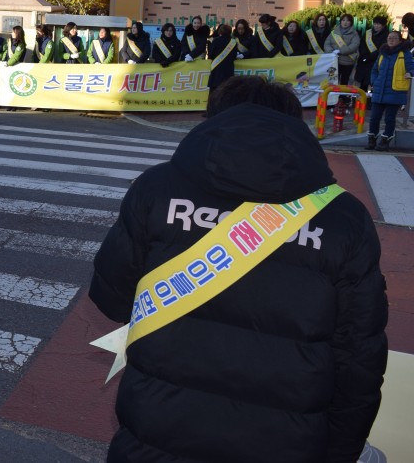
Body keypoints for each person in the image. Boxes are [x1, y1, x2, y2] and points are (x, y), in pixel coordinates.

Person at [89, 75, 387, 463]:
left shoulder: (156, 188)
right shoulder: (344, 218)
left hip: (159, 423)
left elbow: (113, 299)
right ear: (294, 126)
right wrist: (340, 450)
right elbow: (360, 358)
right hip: (285, 439)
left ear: (214, 121)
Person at [366, 30, 414, 151]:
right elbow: (374, 70)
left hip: (395, 91)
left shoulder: (405, 53)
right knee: (374, 118)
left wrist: (409, 73)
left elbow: (411, 67)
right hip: (379, 90)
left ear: (400, 40)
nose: (391, 40)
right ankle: (372, 140)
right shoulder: (382, 53)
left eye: (394, 38)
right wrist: (374, 82)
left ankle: (385, 141)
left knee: (389, 118)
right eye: (389, 38)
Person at [355, 16, 388, 93]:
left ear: (383, 25)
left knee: (372, 82)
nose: (376, 26)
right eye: (375, 24)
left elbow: (382, 48)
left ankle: (370, 101)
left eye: (379, 24)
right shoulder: (368, 33)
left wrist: (370, 56)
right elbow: (362, 45)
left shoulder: (386, 35)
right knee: (362, 83)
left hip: (376, 61)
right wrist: (365, 55)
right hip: (364, 60)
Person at [206, 23, 237, 94]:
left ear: (220, 31)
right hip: (228, 71)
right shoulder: (233, 42)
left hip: (216, 71)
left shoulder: (216, 40)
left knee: (214, 94)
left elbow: (210, 55)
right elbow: (234, 56)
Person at [330, 13, 360, 86]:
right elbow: (327, 44)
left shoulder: (354, 34)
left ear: (351, 23)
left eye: (348, 21)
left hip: (348, 62)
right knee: (333, 81)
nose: (345, 22)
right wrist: (332, 52)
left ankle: (343, 97)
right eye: (343, 20)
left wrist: (340, 51)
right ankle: (334, 97)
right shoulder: (334, 32)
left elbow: (354, 46)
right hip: (335, 61)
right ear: (340, 21)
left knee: (345, 82)